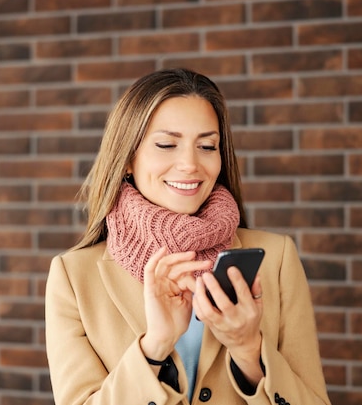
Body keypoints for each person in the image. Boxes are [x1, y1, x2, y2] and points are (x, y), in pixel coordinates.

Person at [45, 68, 331, 405]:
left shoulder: (276, 257)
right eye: (167, 144)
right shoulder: (74, 277)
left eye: (207, 146)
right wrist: (155, 347)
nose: (190, 164)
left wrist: (249, 350)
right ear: (127, 160)